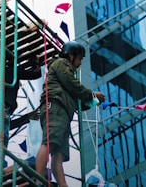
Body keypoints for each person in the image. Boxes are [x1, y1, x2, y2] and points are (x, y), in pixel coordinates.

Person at [35, 41, 105, 187]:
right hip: (55, 107)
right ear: (71, 55)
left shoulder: (67, 75)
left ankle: (63, 185)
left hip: (64, 112)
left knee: (58, 154)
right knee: (49, 142)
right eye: (79, 58)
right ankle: (38, 181)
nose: (79, 63)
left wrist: (92, 100)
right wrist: (91, 95)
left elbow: (78, 103)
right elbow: (73, 85)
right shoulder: (61, 63)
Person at [0, 54, 42, 178]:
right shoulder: (11, 72)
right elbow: (36, 74)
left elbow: (7, 125)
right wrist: (36, 62)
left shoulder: (0, 82)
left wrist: (27, 118)